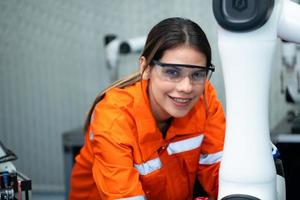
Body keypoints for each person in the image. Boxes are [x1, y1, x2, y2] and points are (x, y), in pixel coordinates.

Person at [69, 17, 225, 200]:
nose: (187, 87)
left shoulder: (205, 98)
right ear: (145, 68)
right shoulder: (114, 118)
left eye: (197, 74)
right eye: (172, 72)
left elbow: (220, 177)